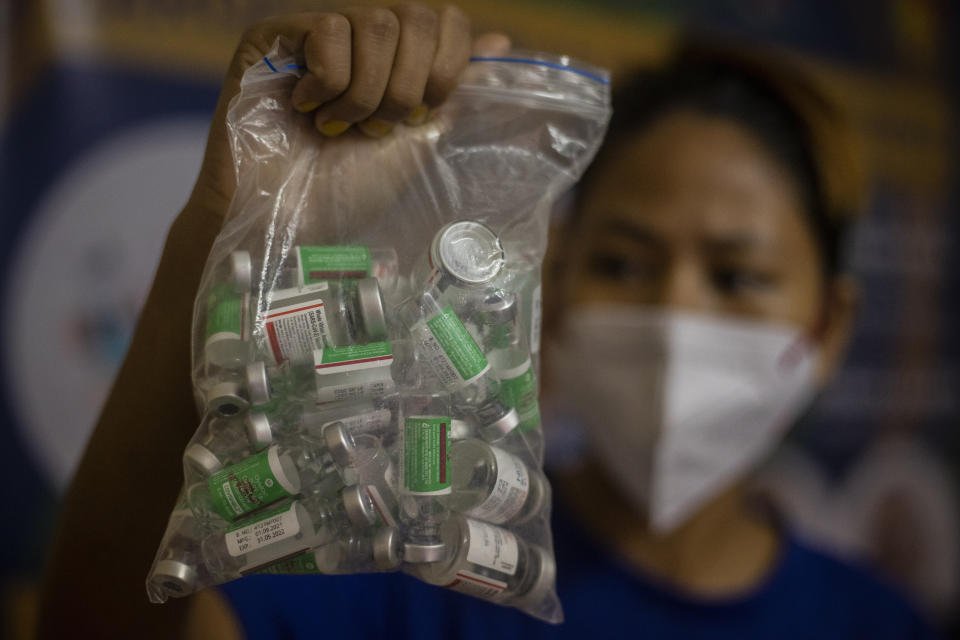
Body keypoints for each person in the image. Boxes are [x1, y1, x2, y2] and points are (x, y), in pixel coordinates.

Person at [37, 5, 935, 639]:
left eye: (738, 276)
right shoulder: (412, 557)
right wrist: (229, 240)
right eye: (623, 262)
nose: (674, 311)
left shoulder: (877, 622)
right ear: (557, 286)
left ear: (828, 327)